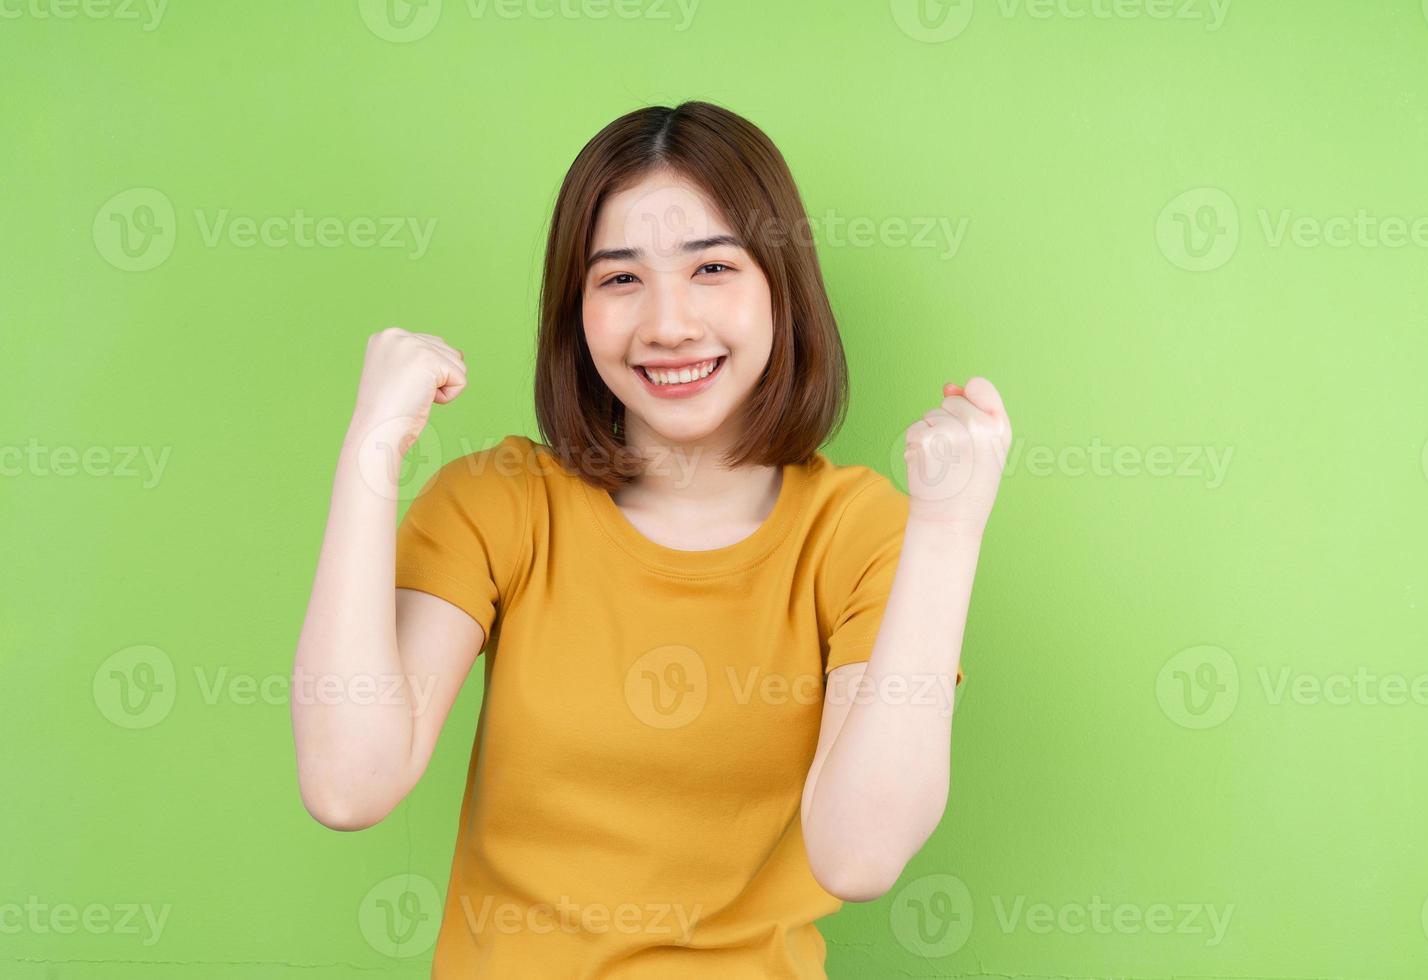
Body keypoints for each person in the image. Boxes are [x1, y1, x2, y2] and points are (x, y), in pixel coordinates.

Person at [290, 100, 1012, 978]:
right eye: (620, 279)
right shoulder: (499, 505)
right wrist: (369, 449)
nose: (667, 324)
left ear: (781, 288)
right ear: (576, 309)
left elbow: (858, 856)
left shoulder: (857, 535)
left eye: (712, 268)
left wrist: (947, 530)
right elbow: (347, 784)